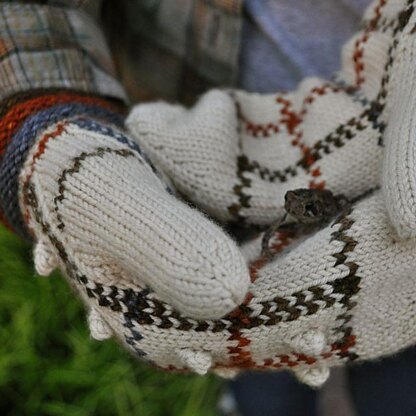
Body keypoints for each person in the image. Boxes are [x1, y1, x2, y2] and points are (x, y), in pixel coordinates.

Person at [1, 1, 416, 415]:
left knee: (395, 386)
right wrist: (41, 122)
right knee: (248, 341)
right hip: (217, 163)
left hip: (385, 160)